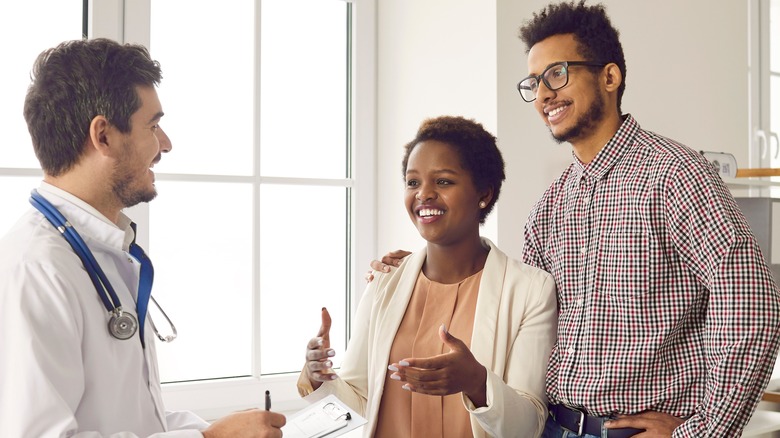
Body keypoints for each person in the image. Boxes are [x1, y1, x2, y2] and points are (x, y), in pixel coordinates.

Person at [371, 1, 780, 437]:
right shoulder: (548, 206)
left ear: (609, 76)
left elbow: (751, 306)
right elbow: (519, 307)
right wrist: (419, 271)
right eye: (534, 81)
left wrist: (704, 432)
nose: (544, 93)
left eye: (557, 74)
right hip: (553, 428)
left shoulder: (675, 175)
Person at [0, 38, 285, 437]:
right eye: (152, 126)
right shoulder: (35, 268)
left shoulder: (99, 252)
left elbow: (133, 420)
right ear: (103, 136)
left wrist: (222, 429)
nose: (165, 143)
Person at [301, 116, 558, 437]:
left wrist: (477, 382)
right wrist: (320, 376)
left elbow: (528, 427)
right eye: (413, 182)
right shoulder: (384, 282)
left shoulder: (530, 290)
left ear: (484, 193)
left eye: (444, 181)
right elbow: (359, 404)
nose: (424, 194)